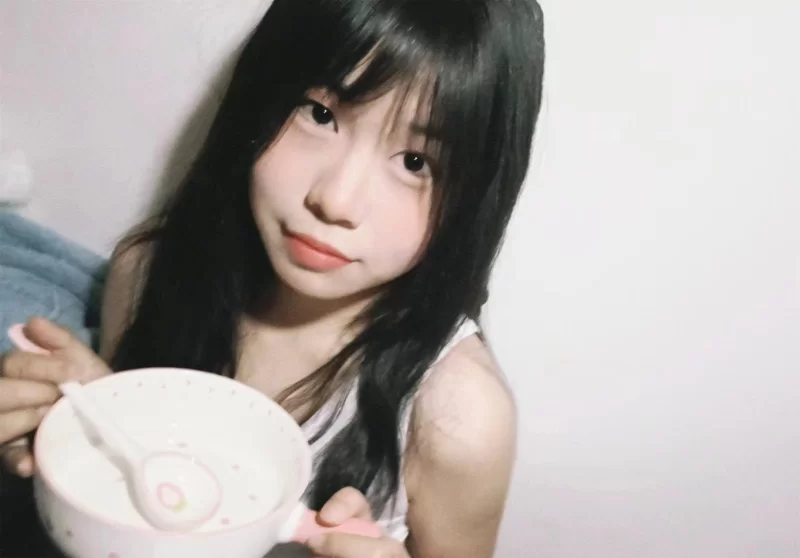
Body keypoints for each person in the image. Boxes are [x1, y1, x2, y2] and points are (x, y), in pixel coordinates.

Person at [0, 0, 545, 555]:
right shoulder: (147, 272)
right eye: (320, 113)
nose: (335, 200)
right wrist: (91, 420)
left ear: (474, 197)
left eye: (414, 162)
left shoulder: (458, 417)